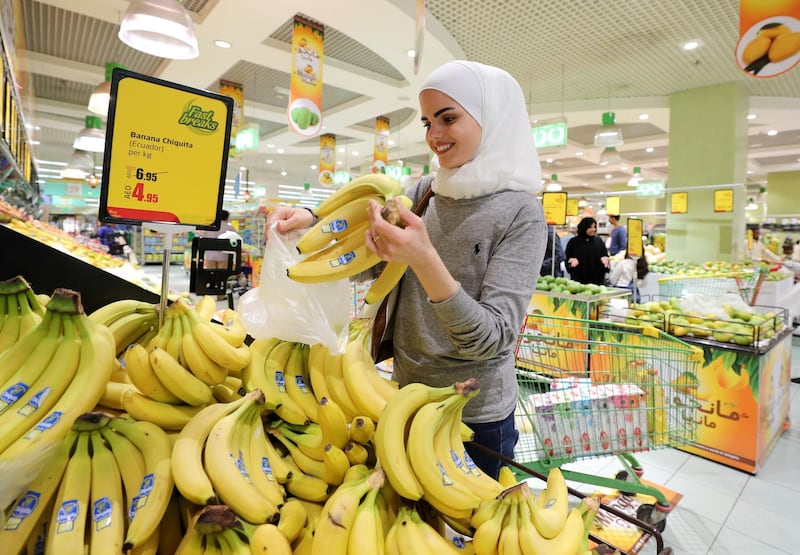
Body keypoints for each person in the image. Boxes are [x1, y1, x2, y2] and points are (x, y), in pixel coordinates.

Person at [268, 60, 547, 479]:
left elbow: (492, 340)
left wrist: (424, 258)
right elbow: (377, 267)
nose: (434, 136)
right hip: (398, 395)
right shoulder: (425, 192)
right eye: (427, 122)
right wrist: (312, 224)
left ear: (491, 119)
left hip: (474, 415)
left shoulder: (522, 213)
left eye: (449, 118)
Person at [565, 217, 610, 285]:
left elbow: (605, 256)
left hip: (597, 280)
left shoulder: (598, 241)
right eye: (590, 227)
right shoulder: (573, 242)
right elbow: (567, 258)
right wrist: (571, 264)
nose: (593, 229)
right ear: (584, 227)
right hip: (578, 280)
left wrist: (605, 263)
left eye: (594, 227)